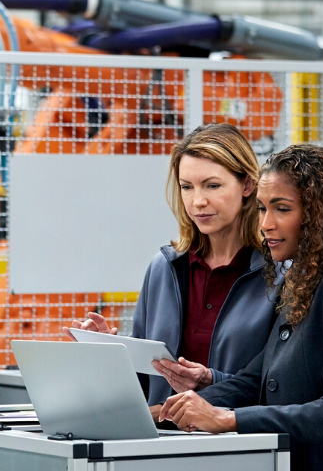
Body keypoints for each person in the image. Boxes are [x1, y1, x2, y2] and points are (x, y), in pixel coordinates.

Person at [158, 144, 323, 471]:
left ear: (319, 214)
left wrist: (226, 419)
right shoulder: (305, 284)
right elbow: (255, 382)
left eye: (281, 209)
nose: (266, 224)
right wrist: (168, 411)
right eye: (261, 209)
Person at [61, 123, 278, 415]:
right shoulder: (165, 268)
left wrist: (212, 383)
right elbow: (141, 386)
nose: (197, 201)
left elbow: (282, 384)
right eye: (187, 187)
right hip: (163, 448)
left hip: (244, 447)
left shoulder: (279, 275)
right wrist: (107, 352)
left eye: (212, 185)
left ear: (248, 186)